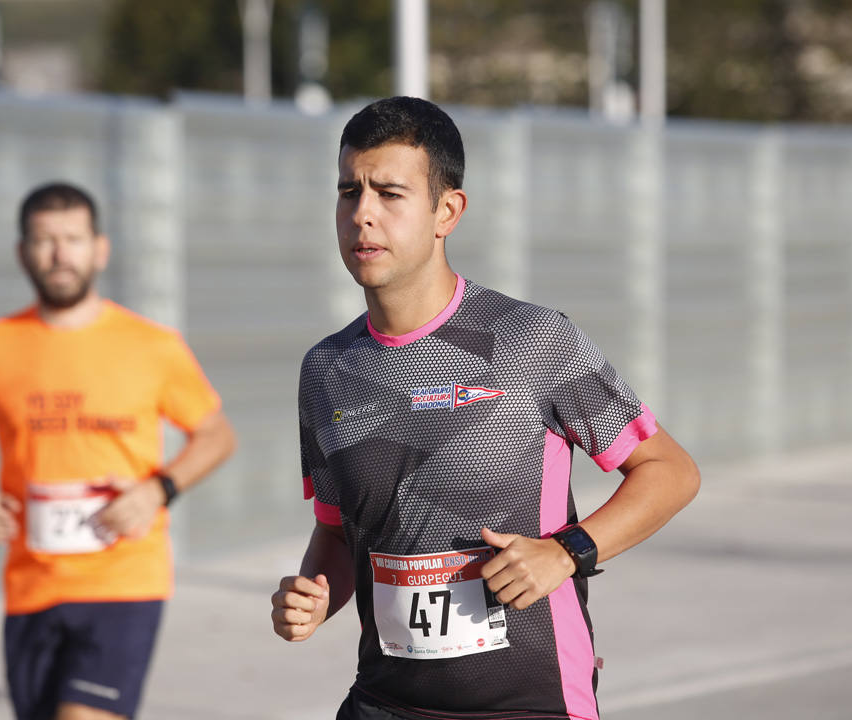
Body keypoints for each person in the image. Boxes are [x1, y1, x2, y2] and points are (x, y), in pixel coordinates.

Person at [270, 96, 701, 720]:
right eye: (348, 191)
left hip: (530, 703)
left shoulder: (531, 341)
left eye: (390, 193)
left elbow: (670, 471)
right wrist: (313, 597)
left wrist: (566, 552)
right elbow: (337, 535)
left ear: (448, 210)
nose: (363, 215)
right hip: (385, 702)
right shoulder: (328, 370)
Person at [0, 181, 237, 720]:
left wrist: (159, 488)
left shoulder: (152, 345)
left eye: (73, 239)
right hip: (30, 586)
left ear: (99, 249)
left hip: (124, 580)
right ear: (22, 252)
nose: (60, 254)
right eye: (44, 240)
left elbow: (217, 434)